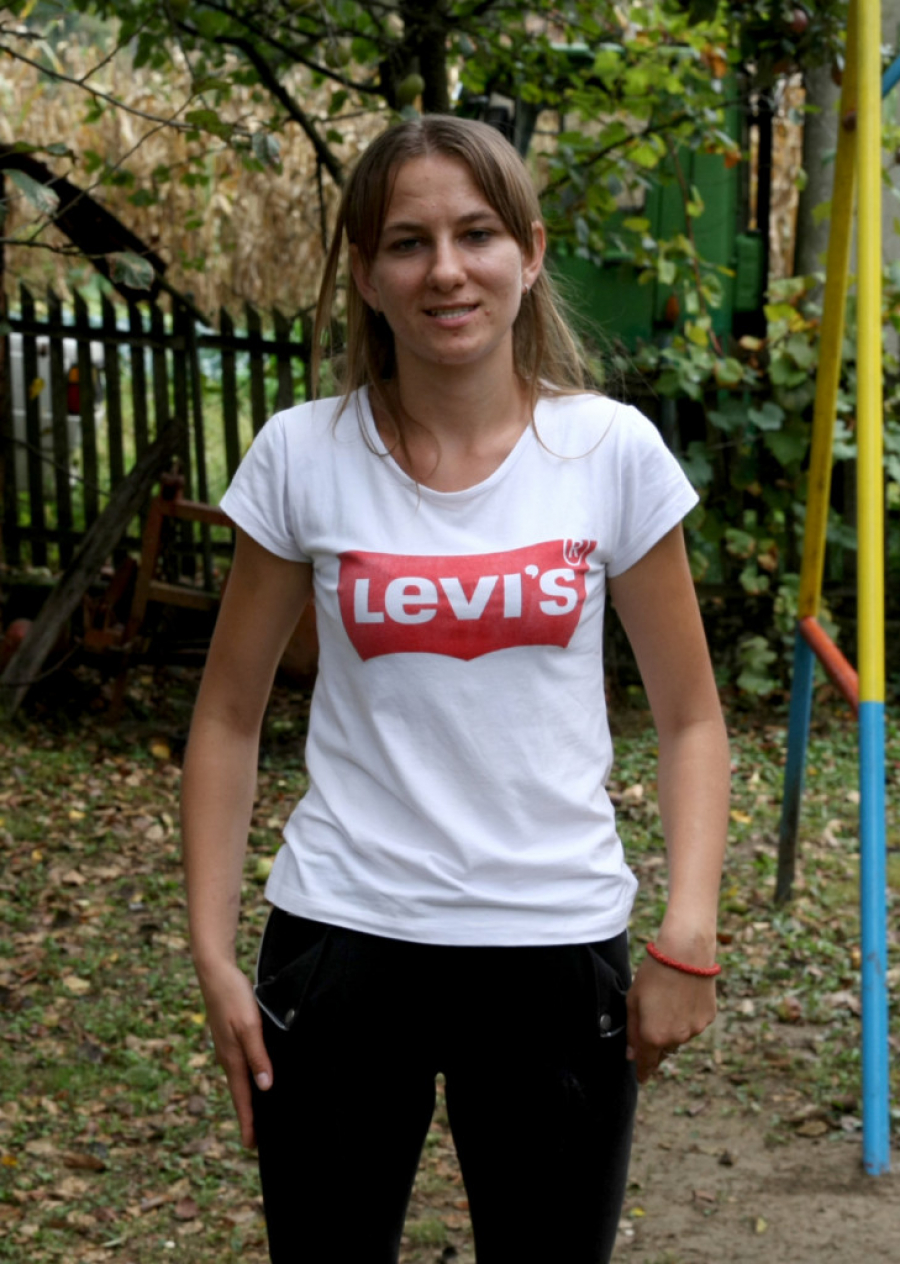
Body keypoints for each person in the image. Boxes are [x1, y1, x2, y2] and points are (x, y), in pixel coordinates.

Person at [181, 114, 730, 1264]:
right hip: (342, 940)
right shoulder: (301, 454)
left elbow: (690, 717)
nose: (446, 270)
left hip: (554, 943)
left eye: (476, 234)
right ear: (365, 274)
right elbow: (227, 716)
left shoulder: (610, 452)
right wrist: (214, 955)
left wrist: (688, 930)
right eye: (407, 242)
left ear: (529, 254)